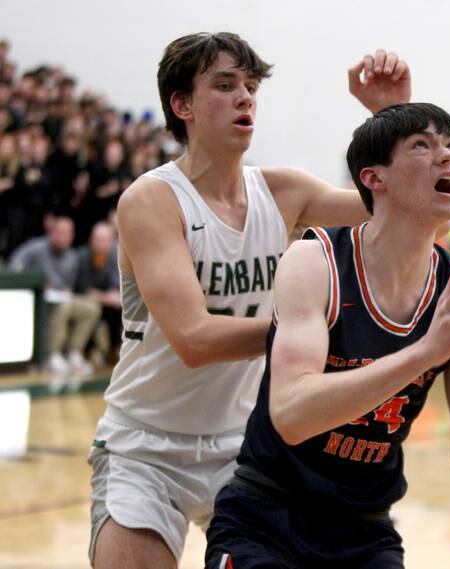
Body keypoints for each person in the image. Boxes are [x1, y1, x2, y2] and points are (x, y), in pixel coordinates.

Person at [204, 103, 450, 568]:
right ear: (373, 178)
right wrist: (424, 353)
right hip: (268, 518)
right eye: (423, 146)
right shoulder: (316, 261)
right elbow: (291, 414)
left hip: (365, 532)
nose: (447, 157)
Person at [88, 32, 412, 569]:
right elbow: (194, 339)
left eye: (251, 86)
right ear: (182, 105)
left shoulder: (283, 193)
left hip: (247, 452)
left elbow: (394, 211)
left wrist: (392, 115)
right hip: (145, 449)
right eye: (224, 85)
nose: (244, 97)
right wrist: (308, 333)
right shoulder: (152, 199)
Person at [8, 216, 100, 374]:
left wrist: (65, 290)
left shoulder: (72, 257)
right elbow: (13, 266)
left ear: (72, 236)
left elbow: (68, 286)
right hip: (38, 301)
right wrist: (34, 283)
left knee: (91, 307)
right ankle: (52, 355)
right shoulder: (35, 248)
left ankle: (74, 352)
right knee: (63, 306)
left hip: (60, 298)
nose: (62, 237)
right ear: (52, 232)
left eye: (67, 233)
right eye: (59, 232)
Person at [75, 221, 122, 366]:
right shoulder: (82, 257)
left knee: (119, 310)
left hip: (105, 303)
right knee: (93, 309)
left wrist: (110, 297)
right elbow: (85, 290)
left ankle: (115, 350)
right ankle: (87, 351)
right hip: (83, 301)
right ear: (91, 240)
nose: (101, 244)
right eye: (98, 239)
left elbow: (116, 288)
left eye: (105, 240)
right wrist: (107, 297)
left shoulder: (114, 256)